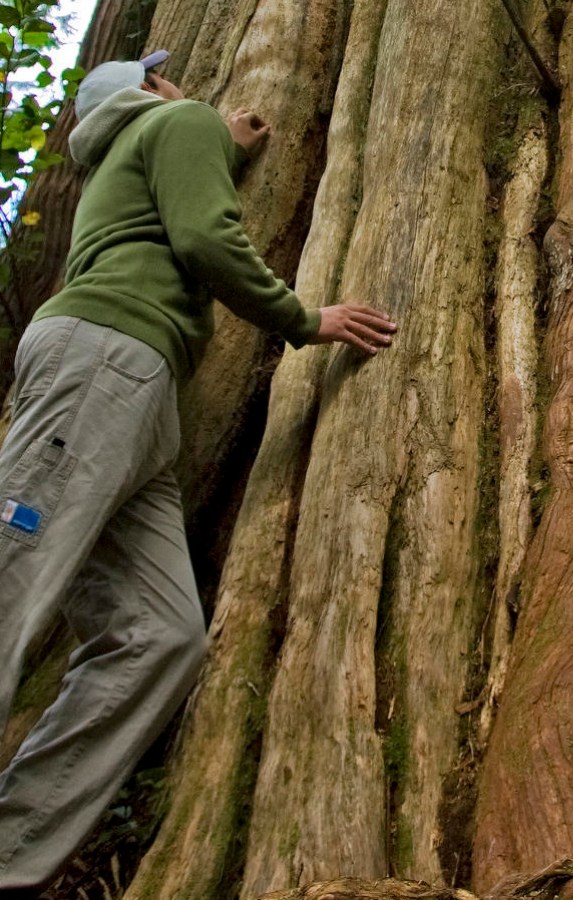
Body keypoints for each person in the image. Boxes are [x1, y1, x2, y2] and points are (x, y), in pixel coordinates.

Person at [0, 51, 396, 896]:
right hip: (102, 368)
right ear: (148, 91)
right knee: (11, 580)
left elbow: (174, 214)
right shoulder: (175, 123)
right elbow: (203, 235)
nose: (180, 82)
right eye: (165, 76)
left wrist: (221, 145)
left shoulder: (130, 153)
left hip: (129, 390)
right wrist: (302, 318)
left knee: (161, 637)